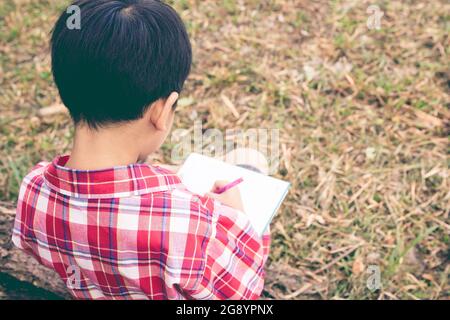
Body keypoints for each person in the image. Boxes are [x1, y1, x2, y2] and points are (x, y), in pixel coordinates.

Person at [12, 0, 270, 300]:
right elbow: (244, 292)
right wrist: (236, 217)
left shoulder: (33, 190)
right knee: (250, 162)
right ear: (162, 110)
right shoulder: (189, 225)